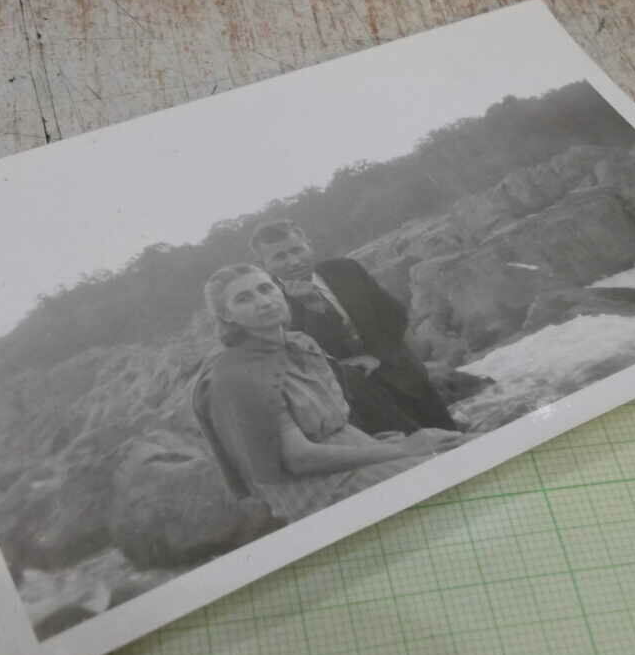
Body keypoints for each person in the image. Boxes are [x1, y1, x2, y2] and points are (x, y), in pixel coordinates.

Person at [192, 264, 464, 524]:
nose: (263, 301)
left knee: (458, 447)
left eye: (266, 288)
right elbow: (298, 459)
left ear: (279, 290)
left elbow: (338, 424)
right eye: (244, 298)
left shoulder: (301, 344)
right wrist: (400, 450)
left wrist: (386, 446)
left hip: (352, 454)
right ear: (226, 315)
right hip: (314, 487)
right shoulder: (237, 377)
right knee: (451, 474)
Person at [249, 220, 458, 433]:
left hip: (400, 369)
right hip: (352, 398)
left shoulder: (345, 269)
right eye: (279, 257)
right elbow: (299, 361)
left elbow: (393, 315)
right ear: (264, 264)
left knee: (451, 435)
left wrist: (394, 357)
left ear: (308, 245)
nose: (293, 261)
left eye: (297, 250)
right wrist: (313, 311)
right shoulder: (269, 306)